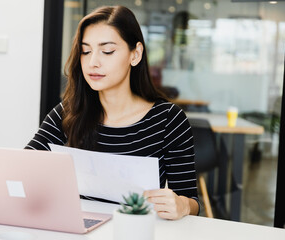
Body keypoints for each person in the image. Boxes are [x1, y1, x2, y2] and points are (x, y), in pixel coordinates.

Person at [26, 5, 199, 220]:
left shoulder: (168, 120)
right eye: (85, 51)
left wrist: (182, 205)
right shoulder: (68, 112)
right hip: (77, 230)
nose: (92, 62)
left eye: (107, 51)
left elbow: (191, 200)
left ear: (135, 54)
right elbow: (24, 168)